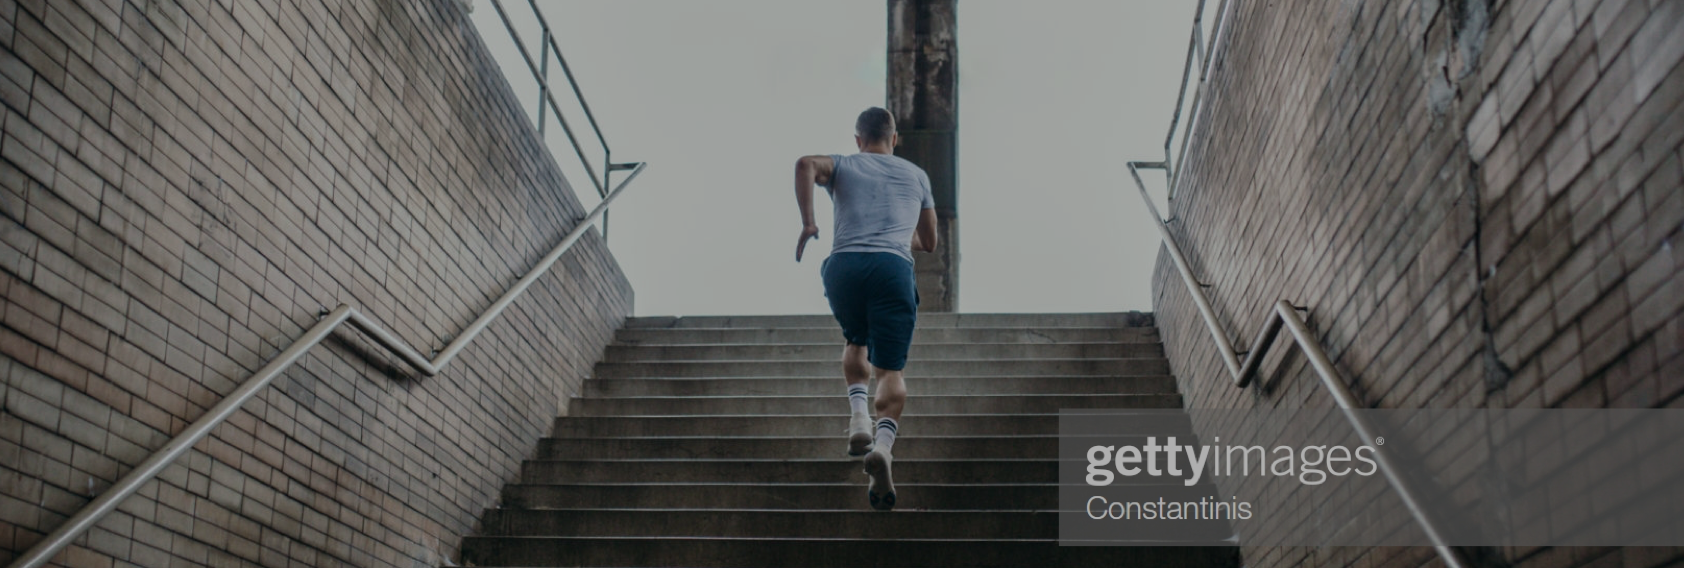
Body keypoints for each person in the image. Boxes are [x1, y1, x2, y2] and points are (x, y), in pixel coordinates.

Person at [791, 107, 938, 511]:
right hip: (891, 269)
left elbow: (805, 164)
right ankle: (884, 449)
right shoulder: (917, 176)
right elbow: (929, 242)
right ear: (894, 139)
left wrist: (809, 222)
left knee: (855, 340)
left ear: (859, 139)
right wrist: (894, 235)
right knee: (890, 370)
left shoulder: (844, 164)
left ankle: (858, 420)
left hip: (844, 267)